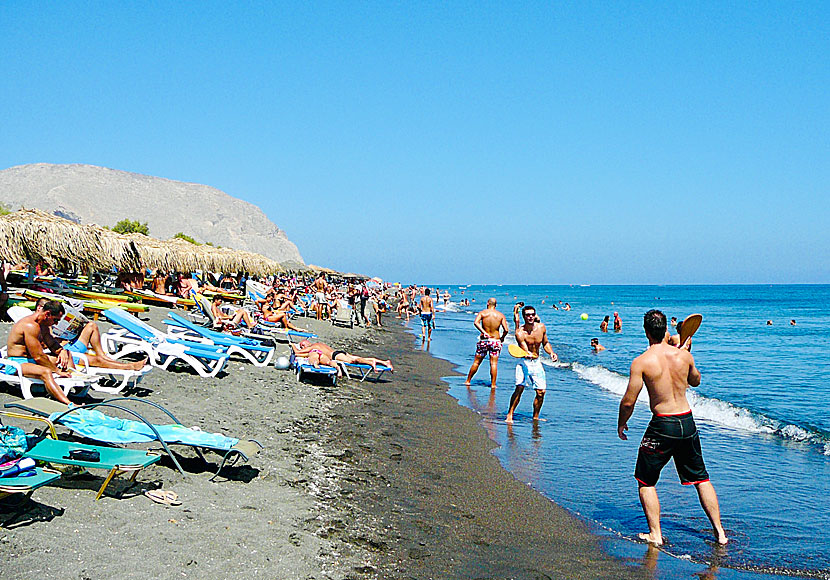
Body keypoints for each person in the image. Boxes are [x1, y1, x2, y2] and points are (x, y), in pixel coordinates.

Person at [617, 309, 727, 546]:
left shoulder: (642, 362)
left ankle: (656, 534)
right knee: (701, 479)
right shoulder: (683, 356)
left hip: (662, 425)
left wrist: (622, 422)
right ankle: (720, 533)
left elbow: (629, 400)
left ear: (646, 331)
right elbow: (696, 381)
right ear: (666, 329)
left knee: (646, 481)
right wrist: (686, 354)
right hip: (687, 421)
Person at [33, 298, 147, 372]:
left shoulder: (48, 322)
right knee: (97, 361)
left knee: (91, 325)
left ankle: (101, 354)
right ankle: (130, 367)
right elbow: (43, 347)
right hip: (66, 354)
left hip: (71, 346)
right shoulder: (37, 326)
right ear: (40, 308)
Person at [6, 301, 76, 404]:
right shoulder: (30, 325)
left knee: (67, 355)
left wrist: (62, 351)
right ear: (47, 314)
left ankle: (74, 387)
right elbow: (38, 357)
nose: (56, 324)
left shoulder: (43, 325)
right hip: (17, 363)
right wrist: (57, 371)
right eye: (55, 320)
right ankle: (69, 403)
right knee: (46, 372)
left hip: (31, 361)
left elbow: (52, 344)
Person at [505, 304, 558, 423]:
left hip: (537, 362)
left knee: (541, 392)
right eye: (528, 315)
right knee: (520, 387)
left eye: (532, 314)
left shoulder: (541, 328)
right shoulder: (520, 333)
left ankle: (535, 417)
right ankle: (510, 414)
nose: (530, 317)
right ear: (524, 316)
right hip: (524, 362)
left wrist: (551, 353)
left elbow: (545, 343)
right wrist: (527, 353)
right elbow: (524, 349)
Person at [464, 298, 509, 389]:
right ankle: (493, 384)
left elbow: (476, 323)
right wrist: (502, 338)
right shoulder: (500, 315)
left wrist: (484, 332)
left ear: (488, 303)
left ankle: (468, 380)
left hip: (484, 340)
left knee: (477, 362)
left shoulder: (483, 313)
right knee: (493, 364)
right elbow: (506, 330)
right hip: (495, 341)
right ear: (495, 305)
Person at [291, 340, 393, 374]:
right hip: (338, 352)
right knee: (359, 357)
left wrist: (292, 345)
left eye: (302, 345)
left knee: (354, 361)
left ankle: (371, 363)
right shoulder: (319, 344)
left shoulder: (313, 347)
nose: (303, 346)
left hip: (335, 355)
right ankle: (385, 362)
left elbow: (297, 353)